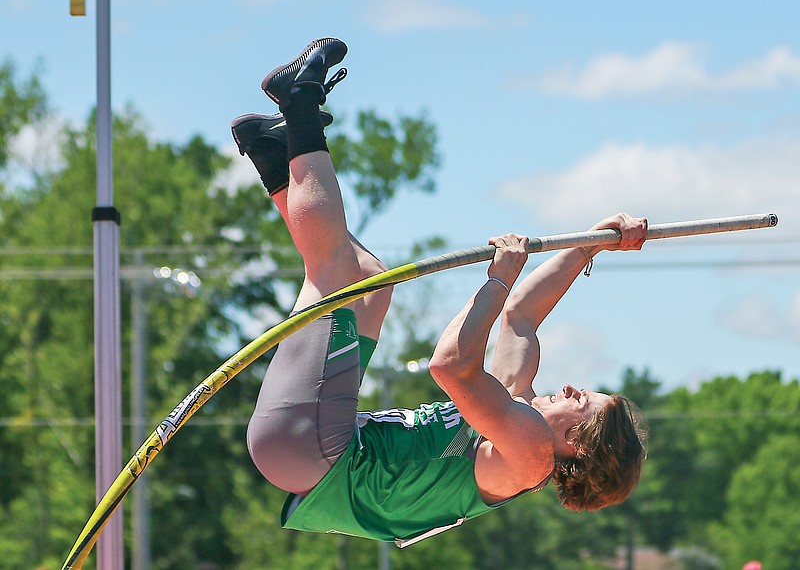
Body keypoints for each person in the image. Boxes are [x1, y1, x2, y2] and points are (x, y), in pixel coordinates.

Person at [235, 38, 649, 547]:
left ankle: (300, 103)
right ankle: (277, 157)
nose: (570, 388)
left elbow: (450, 366)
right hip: (316, 447)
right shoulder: (516, 418)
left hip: (316, 452)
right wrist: (589, 245)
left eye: (583, 400)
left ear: (578, 446)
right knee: (368, 284)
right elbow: (520, 318)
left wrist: (498, 278)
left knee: (336, 274)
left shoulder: (530, 454)